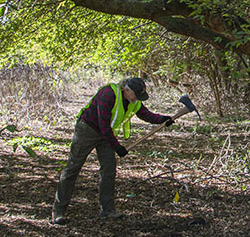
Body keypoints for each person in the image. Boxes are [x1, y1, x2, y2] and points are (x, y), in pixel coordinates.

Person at [51, 77, 173, 224]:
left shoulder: (133, 101)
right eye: (136, 95)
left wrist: (163, 119)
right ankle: (58, 212)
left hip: (106, 136)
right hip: (87, 130)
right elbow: (104, 125)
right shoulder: (108, 94)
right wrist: (117, 147)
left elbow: (146, 115)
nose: (137, 100)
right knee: (73, 168)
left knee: (109, 170)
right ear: (127, 90)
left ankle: (107, 210)